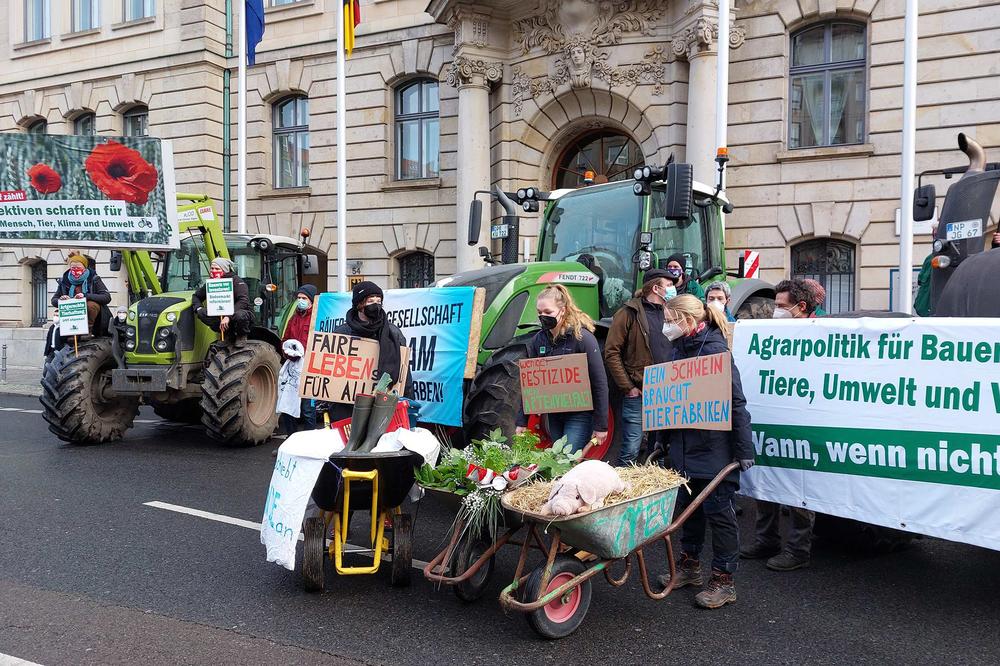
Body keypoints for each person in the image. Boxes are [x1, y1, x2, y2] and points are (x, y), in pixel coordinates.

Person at [655, 294, 753, 609]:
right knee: (689, 509)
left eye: (670, 320)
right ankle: (690, 565)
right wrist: (661, 438)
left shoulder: (714, 351)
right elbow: (669, 399)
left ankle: (724, 580)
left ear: (687, 320)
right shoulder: (678, 349)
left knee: (719, 513)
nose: (666, 326)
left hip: (713, 449)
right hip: (684, 447)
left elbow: (736, 401)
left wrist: (744, 448)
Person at [741, 278, 816, 571]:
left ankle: (798, 549)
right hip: (772, 421)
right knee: (766, 481)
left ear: (801, 307)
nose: (776, 311)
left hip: (802, 426)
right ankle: (766, 539)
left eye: (782, 306)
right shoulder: (771, 333)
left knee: (799, 489)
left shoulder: (820, 335)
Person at [515, 284, 609, 454]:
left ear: (563, 310)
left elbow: (599, 383)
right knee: (558, 459)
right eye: (539, 312)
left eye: (548, 312)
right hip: (554, 415)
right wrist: (522, 421)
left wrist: (601, 425)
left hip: (579, 415)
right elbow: (530, 385)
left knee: (566, 459)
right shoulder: (538, 340)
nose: (543, 316)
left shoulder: (583, 339)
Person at [604, 269, 675, 466]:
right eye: (669, 285)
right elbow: (611, 352)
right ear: (656, 288)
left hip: (667, 393)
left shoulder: (672, 312)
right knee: (630, 449)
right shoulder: (628, 313)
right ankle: (623, 484)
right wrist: (628, 387)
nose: (673, 289)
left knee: (660, 450)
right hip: (639, 392)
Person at [331, 281, 413, 424]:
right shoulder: (342, 334)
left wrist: (408, 401)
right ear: (359, 304)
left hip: (382, 407)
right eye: (370, 301)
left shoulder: (393, 333)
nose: (375, 305)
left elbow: (404, 373)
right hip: (347, 409)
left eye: (379, 301)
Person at [279, 285, 318, 434]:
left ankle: (308, 441)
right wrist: (289, 353)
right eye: (299, 298)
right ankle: (291, 438)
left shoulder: (317, 318)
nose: (300, 300)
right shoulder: (293, 318)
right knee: (288, 407)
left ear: (311, 301)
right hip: (294, 369)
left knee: (308, 409)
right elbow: (285, 340)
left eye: (304, 298)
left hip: (309, 369)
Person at [192, 257, 254, 343]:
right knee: (202, 313)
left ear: (224, 270)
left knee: (240, 315)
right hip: (219, 313)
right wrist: (198, 308)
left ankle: (241, 336)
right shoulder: (211, 282)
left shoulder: (237, 281)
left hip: (239, 312)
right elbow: (196, 296)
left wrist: (228, 316)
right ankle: (226, 333)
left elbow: (243, 301)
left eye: (217, 269)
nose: (213, 271)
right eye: (212, 268)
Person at [52, 252, 112, 335]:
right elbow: (54, 300)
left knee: (91, 305)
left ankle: (87, 331)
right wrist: (62, 300)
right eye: (73, 268)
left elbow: (106, 297)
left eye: (78, 268)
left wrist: (85, 296)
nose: (76, 270)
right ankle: (71, 333)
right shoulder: (64, 281)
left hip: (93, 318)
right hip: (71, 315)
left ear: (84, 267)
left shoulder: (94, 279)